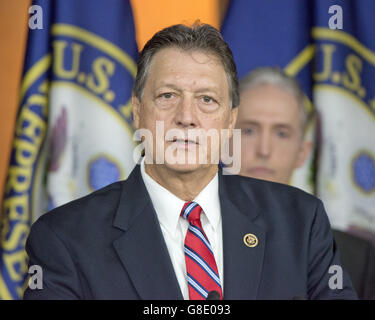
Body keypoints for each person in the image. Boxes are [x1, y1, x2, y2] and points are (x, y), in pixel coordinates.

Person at [23, 23, 357, 300]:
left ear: (230, 121)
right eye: (167, 96)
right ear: (138, 110)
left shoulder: (301, 223)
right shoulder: (63, 239)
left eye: (207, 100)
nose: (187, 117)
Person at [235, 66, 375, 299]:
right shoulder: (188, 242)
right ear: (221, 141)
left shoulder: (355, 259)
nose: (264, 150)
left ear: (302, 151)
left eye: (282, 133)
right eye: (249, 130)